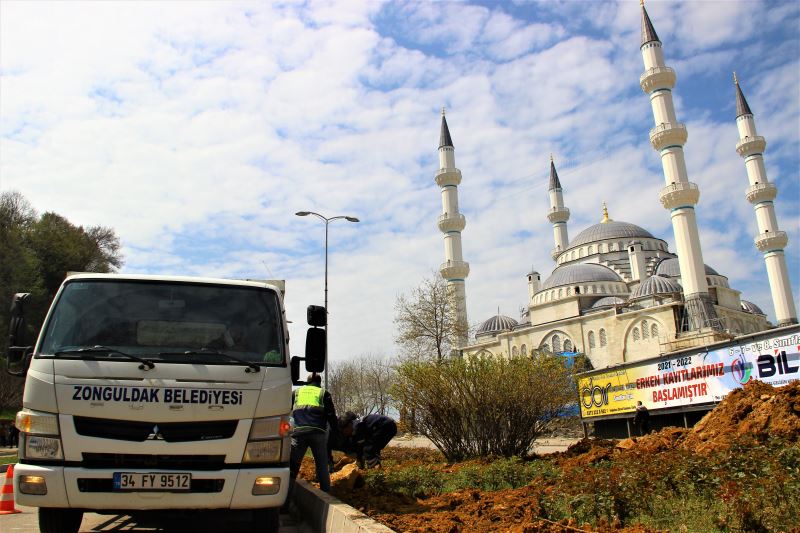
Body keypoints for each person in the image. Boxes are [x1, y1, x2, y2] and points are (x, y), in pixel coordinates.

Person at [288, 374, 338, 495]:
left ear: (307, 382)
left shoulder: (297, 392)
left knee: (293, 467)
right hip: (318, 433)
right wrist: (336, 431)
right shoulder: (323, 393)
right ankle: (326, 493)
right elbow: (331, 415)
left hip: (299, 433)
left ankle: (286, 500)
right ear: (319, 382)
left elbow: (285, 409)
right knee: (321, 465)